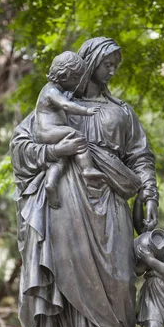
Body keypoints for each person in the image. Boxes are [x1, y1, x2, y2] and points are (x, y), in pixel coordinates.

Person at [10, 37, 159, 327]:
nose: (113, 70)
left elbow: (140, 156)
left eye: (116, 65)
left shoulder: (122, 112)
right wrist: (54, 152)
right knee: (68, 272)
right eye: (108, 63)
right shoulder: (55, 104)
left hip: (111, 200)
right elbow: (21, 149)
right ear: (89, 63)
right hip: (67, 198)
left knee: (120, 278)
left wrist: (149, 192)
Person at [35, 51, 104, 209]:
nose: (78, 82)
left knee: (61, 159)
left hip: (47, 133)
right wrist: (85, 111)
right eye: (76, 78)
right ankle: (87, 169)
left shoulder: (50, 90)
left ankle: (51, 183)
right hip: (49, 131)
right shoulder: (52, 91)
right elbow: (66, 105)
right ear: (65, 76)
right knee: (77, 136)